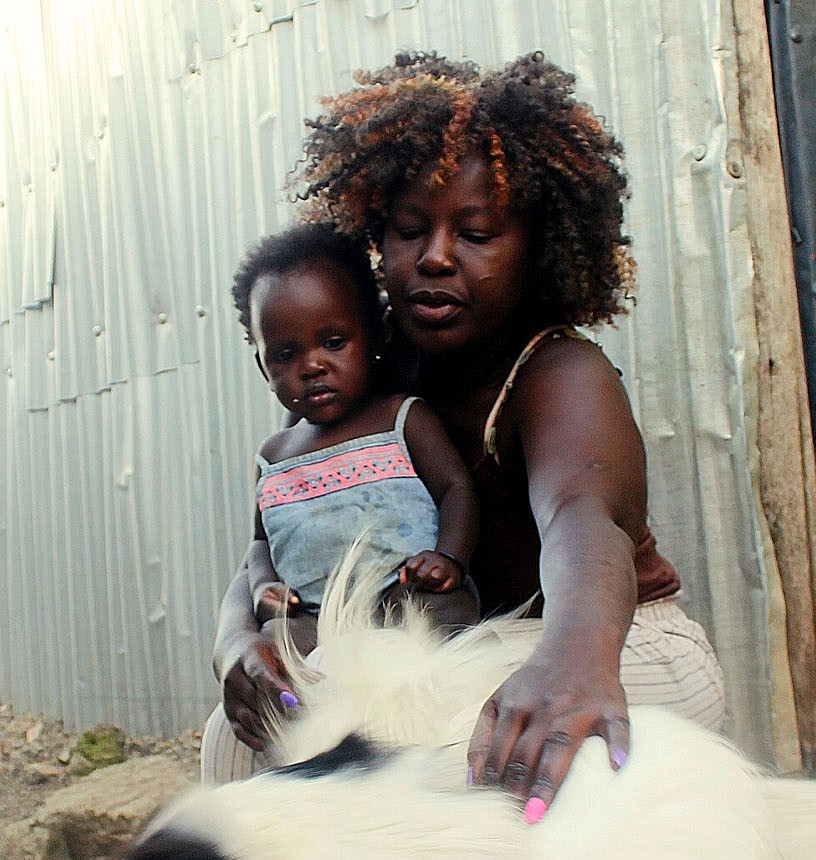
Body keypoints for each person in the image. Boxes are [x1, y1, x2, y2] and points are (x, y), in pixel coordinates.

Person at [203, 52, 727, 812]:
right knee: (241, 734)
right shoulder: (359, 377)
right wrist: (235, 646)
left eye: (477, 232)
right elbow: (275, 527)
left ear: (535, 247)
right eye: (410, 229)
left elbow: (584, 522)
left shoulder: (557, 372)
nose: (437, 256)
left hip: (612, 646)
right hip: (474, 650)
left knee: (411, 721)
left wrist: (572, 660)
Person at [231, 222, 480, 658]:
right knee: (277, 648)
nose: (313, 366)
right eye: (287, 355)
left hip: (405, 595)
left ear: (376, 335)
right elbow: (260, 541)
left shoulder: (402, 418)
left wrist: (450, 559)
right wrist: (263, 585)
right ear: (262, 366)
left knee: (441, 615)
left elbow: (457, 489)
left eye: (333, 342)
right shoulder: (274, 455)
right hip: (316, 617)